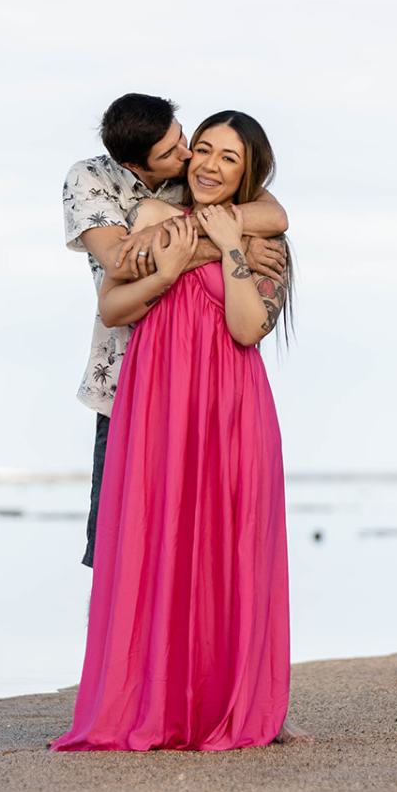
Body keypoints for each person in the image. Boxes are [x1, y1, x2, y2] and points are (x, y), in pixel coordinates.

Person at [53, 110, 305, 751]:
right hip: (154, 400)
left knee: (229, 550)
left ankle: (231, 704)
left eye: (230, 158)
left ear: (249, 173)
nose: (211, 164)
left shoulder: (262, 244)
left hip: (231, 406)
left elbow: (248, 328)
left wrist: (227, 248)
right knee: (152, 543)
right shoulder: (146, 217)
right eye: (204, 150)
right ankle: (148, 699)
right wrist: (185, 251)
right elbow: (111, 304)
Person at [62, 94, 289, 569]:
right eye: (176, 152)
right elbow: (119, 262)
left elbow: (274, 215)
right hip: (128, 386)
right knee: (118, 550)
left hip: (218, 397)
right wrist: (223, 245)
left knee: (210, 551)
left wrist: (234, 237)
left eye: (185, 140)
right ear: (135, 164)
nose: (190, 158)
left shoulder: (192, 181)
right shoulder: (93, 181)